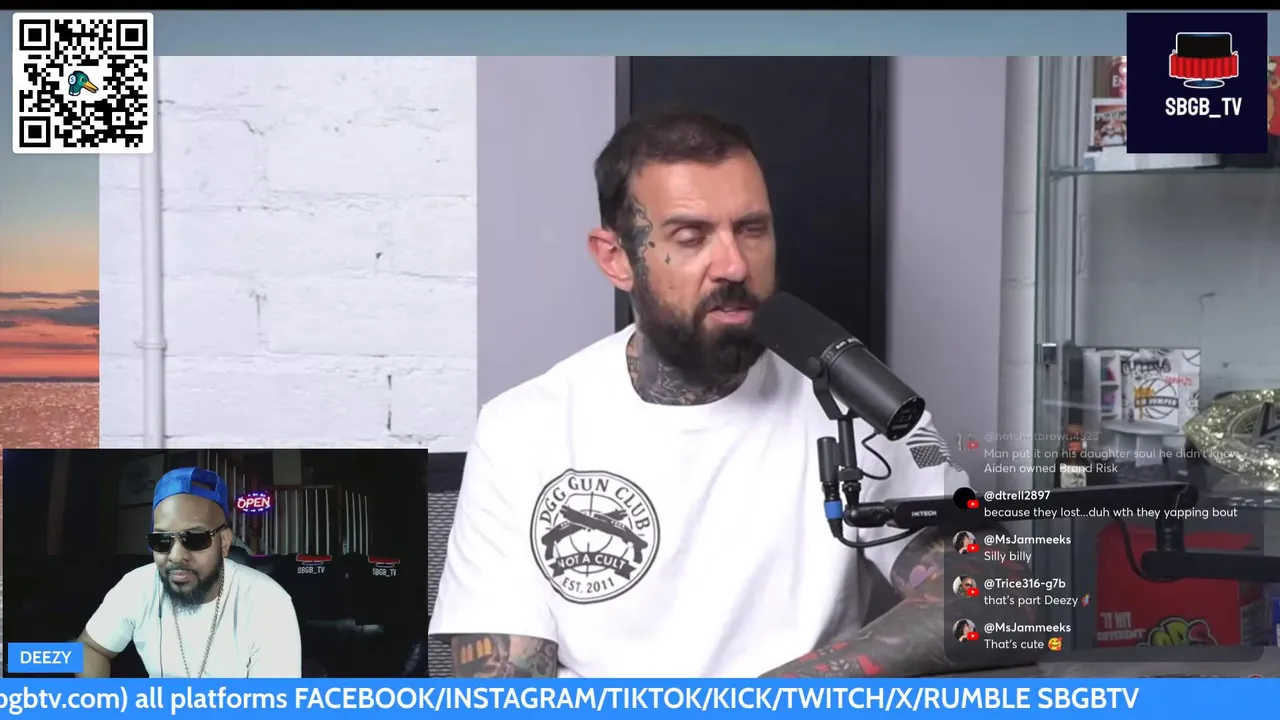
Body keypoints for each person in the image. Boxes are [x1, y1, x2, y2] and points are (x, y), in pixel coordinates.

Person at [428, 109, 1026, 678]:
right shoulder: (523, 429)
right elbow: (498, 686)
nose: (734, 265)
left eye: (751, 229)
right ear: (617, 259)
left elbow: (1002, 598)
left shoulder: (861, 410)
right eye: (691, 237)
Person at [76, 468, 302, 678]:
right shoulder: (136, 586)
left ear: (224, 542)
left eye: (195, 538)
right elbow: (89, 647)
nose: (175, 556)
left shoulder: (269, 602)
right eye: (162, 540)